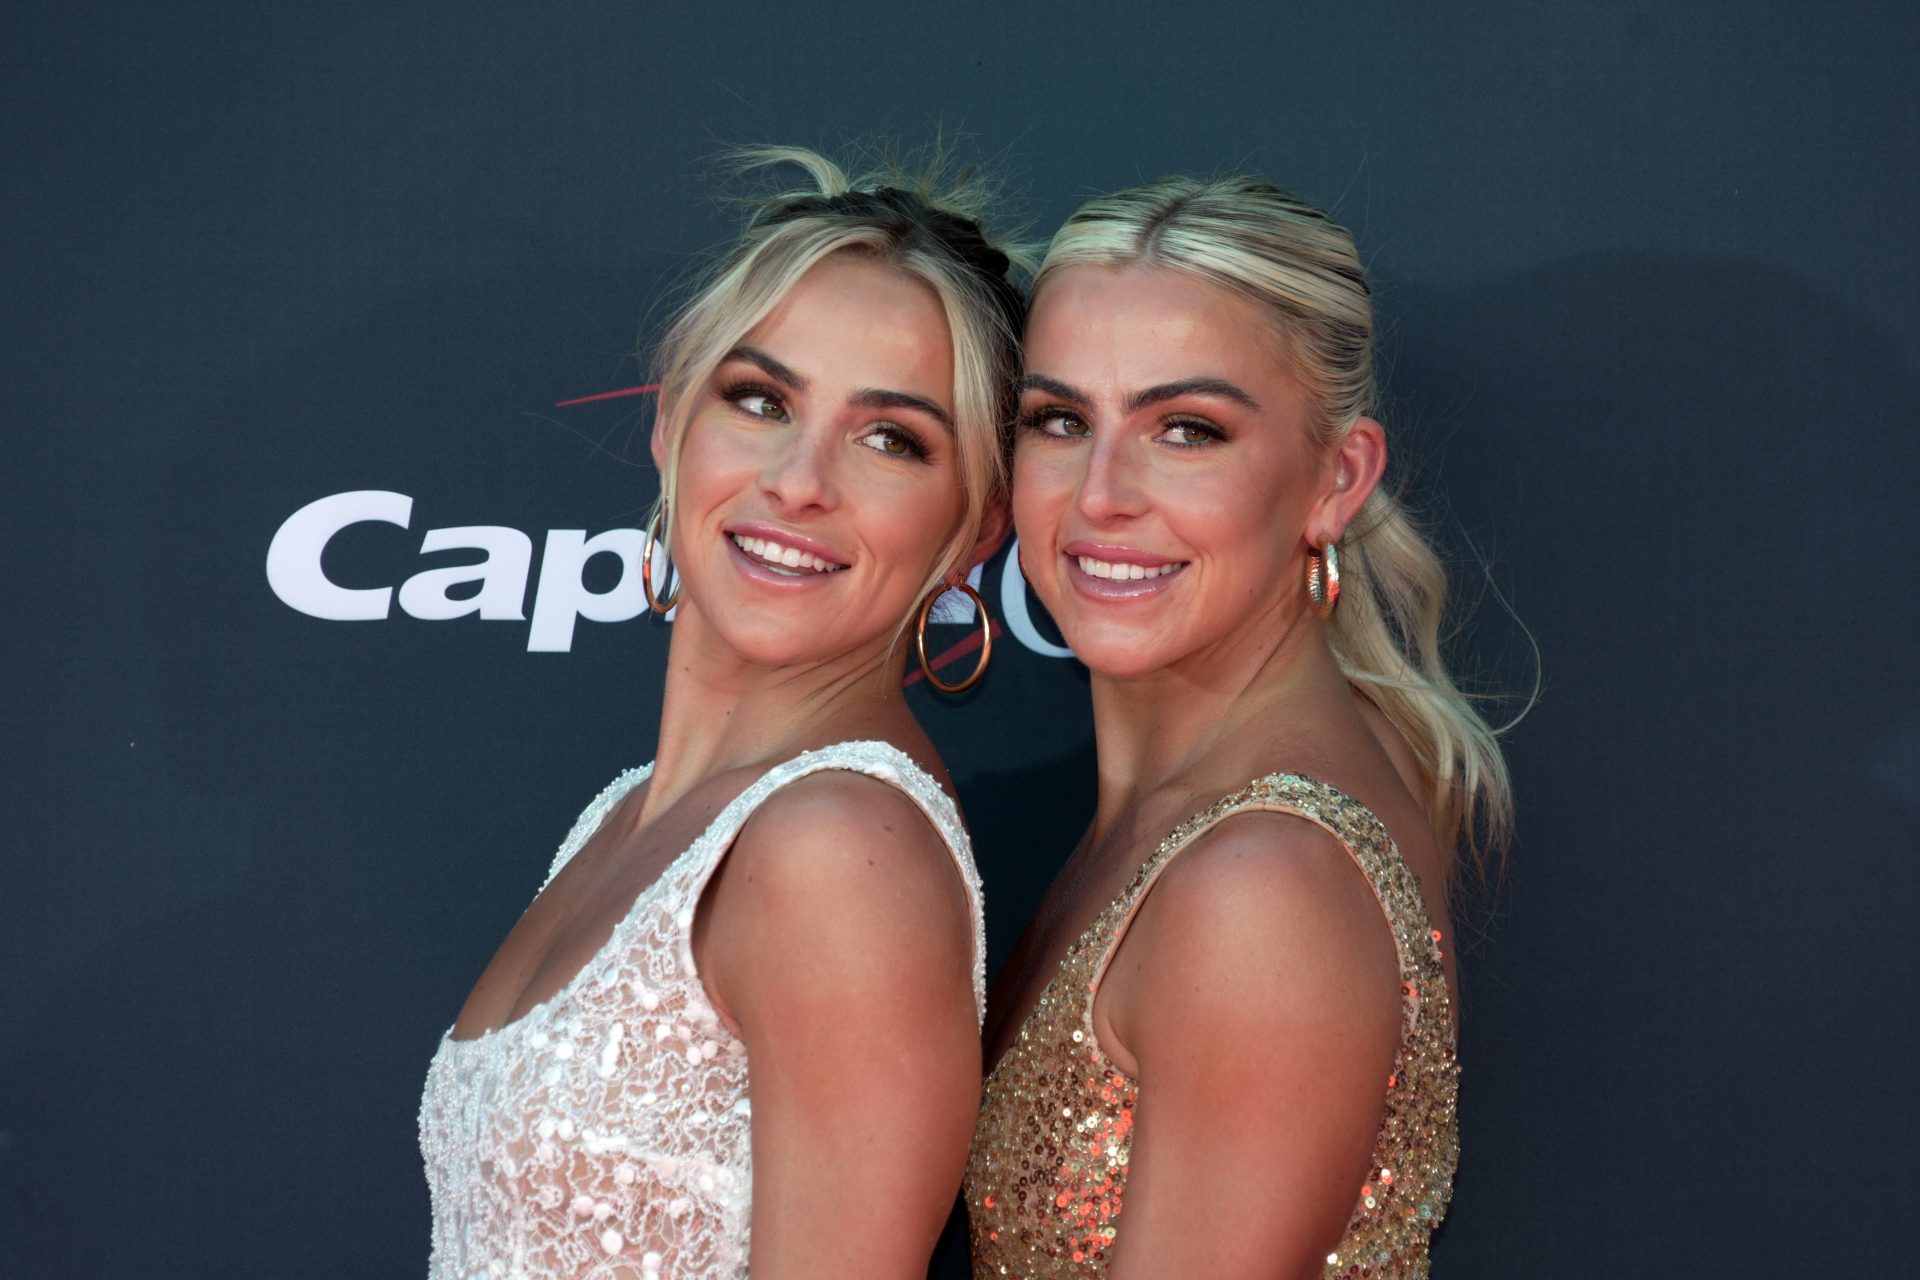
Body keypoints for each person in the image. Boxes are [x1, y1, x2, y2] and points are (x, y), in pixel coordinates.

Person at [419, 146, 1024, 1280]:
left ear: (976, 528)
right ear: (671, 427)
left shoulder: (840, 850)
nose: (800, 479)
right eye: (760, 399)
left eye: (891, 438)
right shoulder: (625, 813)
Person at [966, 175, 1516, 1278]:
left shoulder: (1260, 885)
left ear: (1336, 476)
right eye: (1061, 420)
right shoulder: (1214, 809)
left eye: (1187, 428)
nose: (1102, 494)